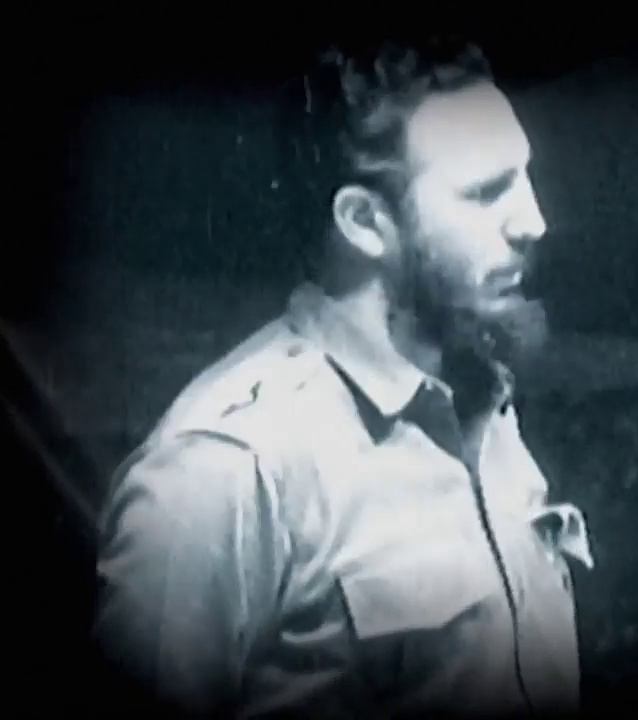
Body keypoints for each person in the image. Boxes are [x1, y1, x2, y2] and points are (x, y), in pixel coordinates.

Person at [92, 39, 594, 718]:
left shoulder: (483, 399)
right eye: (486, 191)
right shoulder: (226, 470)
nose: (534, 221)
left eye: (524, 176)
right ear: (364, 221)